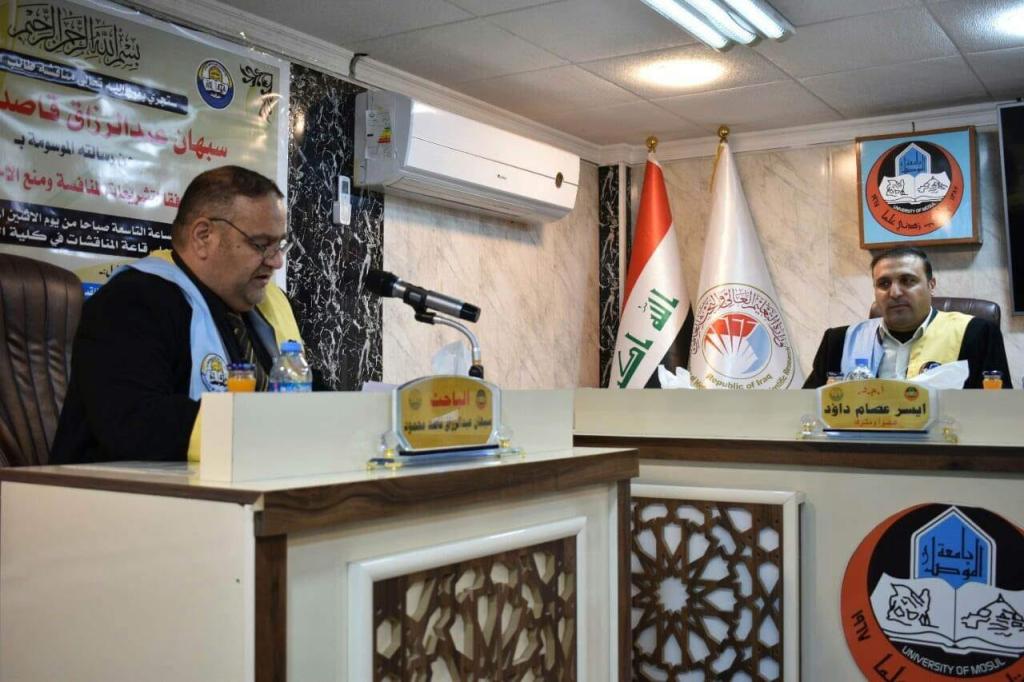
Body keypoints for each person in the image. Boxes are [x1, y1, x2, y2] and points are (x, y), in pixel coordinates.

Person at [51, 166, 311, 464]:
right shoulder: (132, 302)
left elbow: (295, 392)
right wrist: (263, 430)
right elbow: (136, 421)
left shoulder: (257, 310)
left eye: (279, 245)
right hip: (113, 489)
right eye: (261, 245)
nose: (277, 261)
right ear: (203, 237)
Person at [804, 246, 1012, 389]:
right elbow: (809, 410)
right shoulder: (841, 341)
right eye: (884, 284)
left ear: (931, 285)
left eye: (907, 280)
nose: (894, 292)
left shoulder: (977, 335)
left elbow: (996, 413)